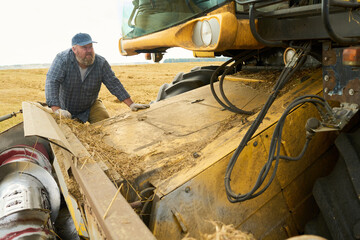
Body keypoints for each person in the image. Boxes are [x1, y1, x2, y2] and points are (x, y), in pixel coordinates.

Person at [45, 33, 149, 123]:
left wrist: (131, 104)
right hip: (66, 107)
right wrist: (57, 110)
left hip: (90, 105)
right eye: (84, 48)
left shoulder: (101, 63)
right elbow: (52, 81)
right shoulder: (62, 60)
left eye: (90, 47)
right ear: (74, 49)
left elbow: (113, 83)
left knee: (105, 125)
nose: (89, 50)